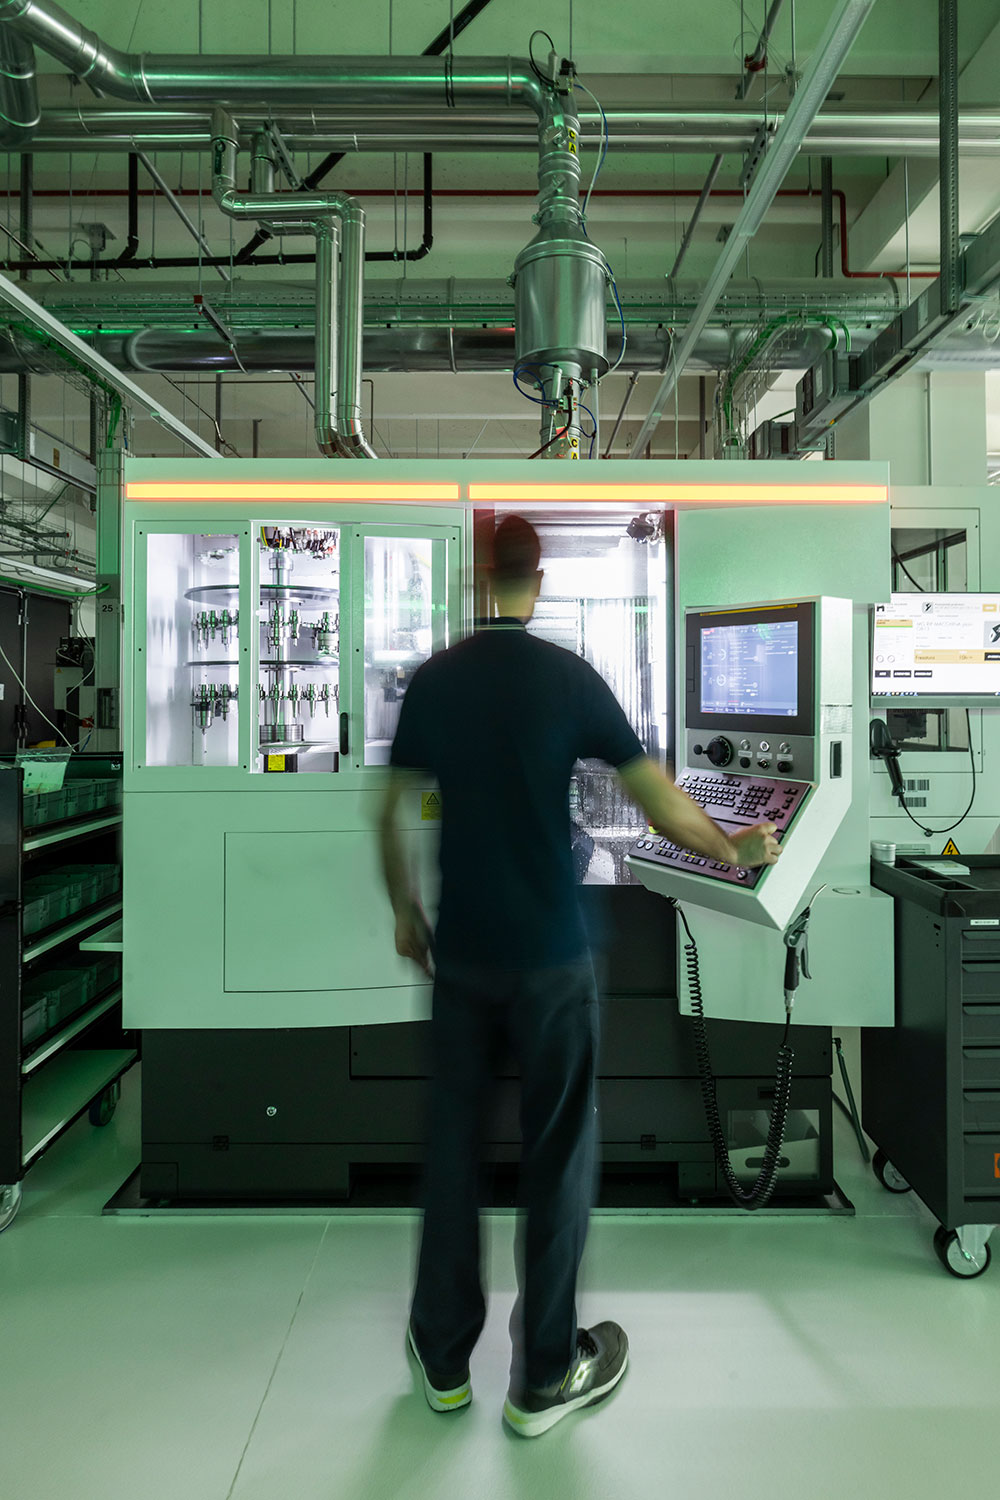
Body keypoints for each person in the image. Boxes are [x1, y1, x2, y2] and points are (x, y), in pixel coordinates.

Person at [378, 516, 780, 1438]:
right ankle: (545, 1377)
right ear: (541, 580)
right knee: (556, 1158)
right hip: (554, 960)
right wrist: (737, 848)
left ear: (481, 575)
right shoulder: (571, 679)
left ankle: (443, 1360)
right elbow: (662, 805)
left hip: (463, 957)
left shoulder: (436, 680)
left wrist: (405, 909)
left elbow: (386, 812)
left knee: (453, 1151)